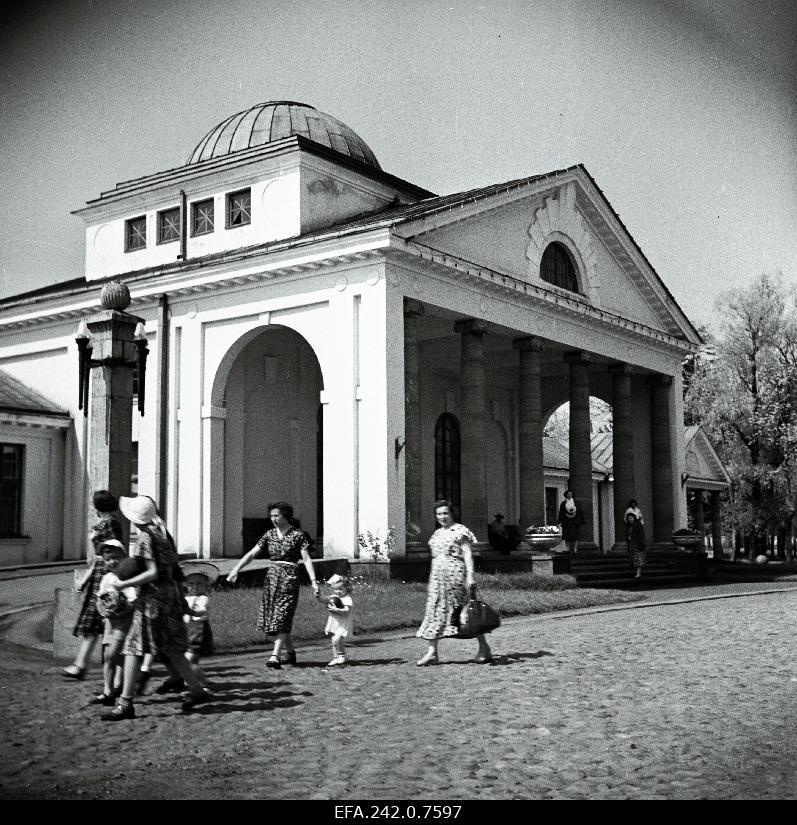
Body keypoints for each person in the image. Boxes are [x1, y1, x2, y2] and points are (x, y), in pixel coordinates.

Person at [101, 495, 209, 720]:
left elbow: (152, 573)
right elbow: (170, 571)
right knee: (170, 648)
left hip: (152, 601)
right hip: (168, 598)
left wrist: (124, 583)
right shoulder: (161, 536)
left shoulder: (145, 538)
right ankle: (196, 690)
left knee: (133, 647)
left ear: (134, 519)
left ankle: (125, 703)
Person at [226, 501, 320, 669]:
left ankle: (275, 655)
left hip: (289, 578)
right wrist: (236, 569)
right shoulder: (269, 535)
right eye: (271, 516)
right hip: (272, 578)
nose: (273, 519)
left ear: (286, 516)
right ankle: (290, 653)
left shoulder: (298, 535)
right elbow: (253, 553)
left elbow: (306, 558)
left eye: (276, 515)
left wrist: (314, 582)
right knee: (276, 617)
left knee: (282, 615)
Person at [416, 499, 492, 666]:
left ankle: (484, 647)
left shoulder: (460, 531)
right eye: (438, 514)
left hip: (455, 577)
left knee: (465, 612)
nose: (442, 517)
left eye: (445, 513)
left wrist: (470, 576)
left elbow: (467, 554)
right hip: (437, 578)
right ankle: (432, 652)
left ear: (451, 514)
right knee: (435, 610)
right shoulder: (436, 534)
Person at [62, 490, 124, 680]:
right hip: (99, 575)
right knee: (95, 623)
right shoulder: (107, 523)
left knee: (100, 621)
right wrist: (86, 578)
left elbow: (109, 554)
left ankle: (84, 665)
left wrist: (90, 578)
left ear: (98, 507)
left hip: (104, 576)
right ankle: (81, 665)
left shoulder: (111, 524)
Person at [92, 541, 141, 706]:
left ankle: (119, 686)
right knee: (109, 657)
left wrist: (121, 609)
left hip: (123, 621)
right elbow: (99, 597)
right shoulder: (106, 578)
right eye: (107, 559)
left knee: (112, 655)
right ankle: (108, 691)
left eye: (115, 558)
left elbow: (133, 601)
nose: (111, 562)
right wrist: (102, 608)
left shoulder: (126, 578)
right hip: (110, 622)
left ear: (123, 557)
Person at [180, 561, 218, 665]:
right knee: (192, 657)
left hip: (198, 629)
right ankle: (200, 678)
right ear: (186, 585)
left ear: (206, 586)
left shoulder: (203, 598)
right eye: (191, 584)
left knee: (192, 652)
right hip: (186, 627)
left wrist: (193, 612)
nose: (195, 586)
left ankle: (186, 673)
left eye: (199, 583)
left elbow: (202, 611)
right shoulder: (185, 598)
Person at [323, 574, 354, 667]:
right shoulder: (334, 597)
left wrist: (336, 610)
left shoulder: (348, 599)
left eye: (341, 589)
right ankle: (336, 657)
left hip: (343, 623)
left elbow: (346, 611)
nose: (338, 591)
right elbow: (324, 600)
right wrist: (318, 596)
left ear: (347, 588)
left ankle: (342, 655)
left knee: (337, 639)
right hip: (334, 622)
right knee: (334, 641)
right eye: (336, 589)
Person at [556, 490, 585, 554]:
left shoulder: (577, 502)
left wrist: (575, 516)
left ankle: (575, 548)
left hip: (575, 522)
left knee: (576, 536)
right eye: (568, 494)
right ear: (566, 495)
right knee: (567, 536)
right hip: (566, 522)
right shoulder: (563, 503)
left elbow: (580, 511)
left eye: (571, 494)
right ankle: (568, 548)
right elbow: (561, 513)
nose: (569, 495)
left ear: (572, 495)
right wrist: (558, 521)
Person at [625, 509, 647, 579]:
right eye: (628, 518)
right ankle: (638, 572)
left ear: (634, 518)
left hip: (638, 544)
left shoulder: (637, 524)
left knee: (638, 559)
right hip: (633, 544)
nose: (630, 519)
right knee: (636, 558)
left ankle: (638, 573)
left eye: (631, 518)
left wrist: (642, 543)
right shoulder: (631, 526)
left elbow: (641, 534)